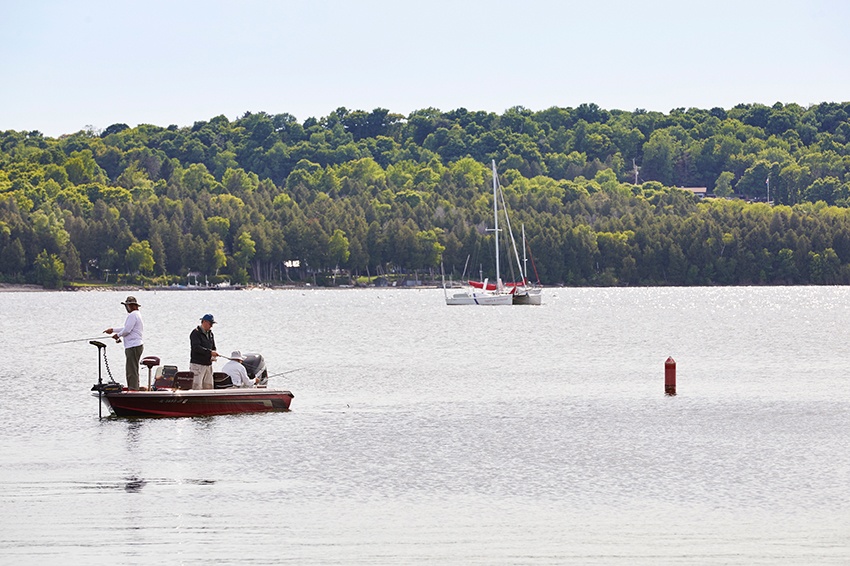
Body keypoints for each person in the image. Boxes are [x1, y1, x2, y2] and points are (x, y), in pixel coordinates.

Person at [103, 296, 144, 390]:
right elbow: (126, 329)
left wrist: (118, 335)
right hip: (135, 346)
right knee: (133, 368)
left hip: (133, 346)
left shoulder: (133, 315)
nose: (126, 308)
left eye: (127, 306)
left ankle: (133, 389)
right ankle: (134, 388)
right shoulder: (136, 315)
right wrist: (113, 330)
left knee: (131, 370)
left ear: (132, 306)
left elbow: (127, 330)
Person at [190, 314, 218, 389]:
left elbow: (213, 347)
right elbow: (196, 347)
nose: (211, 326)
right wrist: (210, 352)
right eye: (210, 324)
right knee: (197, 386)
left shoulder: (211, 334)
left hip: (208, 365)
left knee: (209, 386)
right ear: (204, 322)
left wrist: (213, 355)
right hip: (197, 365)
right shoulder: (195, 333)